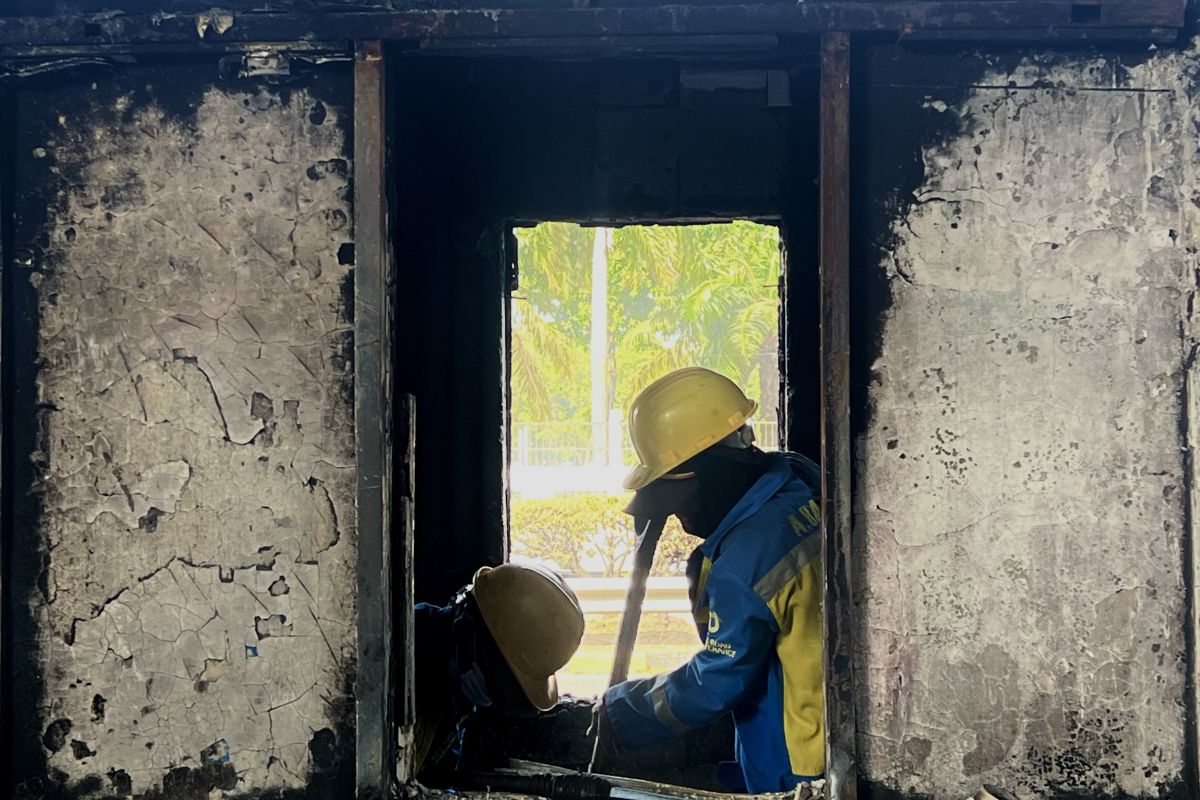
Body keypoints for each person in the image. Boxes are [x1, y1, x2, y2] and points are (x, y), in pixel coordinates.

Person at [592, 367, 824, 792]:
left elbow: (717, 680)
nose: (681, 520)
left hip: (796, 762)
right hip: (826, 729)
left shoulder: (744, 562)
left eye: (682, 503)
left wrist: (624, 711)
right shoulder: (800, 477)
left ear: (710, 475)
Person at [415, 561, 585, 777]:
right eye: (497, 676)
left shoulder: (457, 689)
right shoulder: (396, 652)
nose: (492, 694)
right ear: (468, 629)